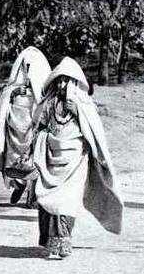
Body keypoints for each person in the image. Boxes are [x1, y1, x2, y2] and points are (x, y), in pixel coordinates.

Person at [31, 57, 123, 259]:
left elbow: (94, 132)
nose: (62, 85)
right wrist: (42, 139)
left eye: (67, 80)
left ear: (74, 82)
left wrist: (78, 112)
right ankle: (51, 240)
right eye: (60, 80)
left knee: (66, 200)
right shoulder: (48, 104)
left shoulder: (84, 104)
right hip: (51, 158)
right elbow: (38, 126)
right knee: (49, 199)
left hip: (75, 158)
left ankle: (64, 239)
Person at [0, 46, 51, 206]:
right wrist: (14, 92)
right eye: (26, 65)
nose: (28, 69)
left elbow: (45, 101)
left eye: (31, 66)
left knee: (35, 157)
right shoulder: (14, 84)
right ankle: (19, 185)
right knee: (16, 159)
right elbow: (6, 96)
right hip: (15, 123)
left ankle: (34, 196)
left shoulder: (44, 83)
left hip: (33, 124)